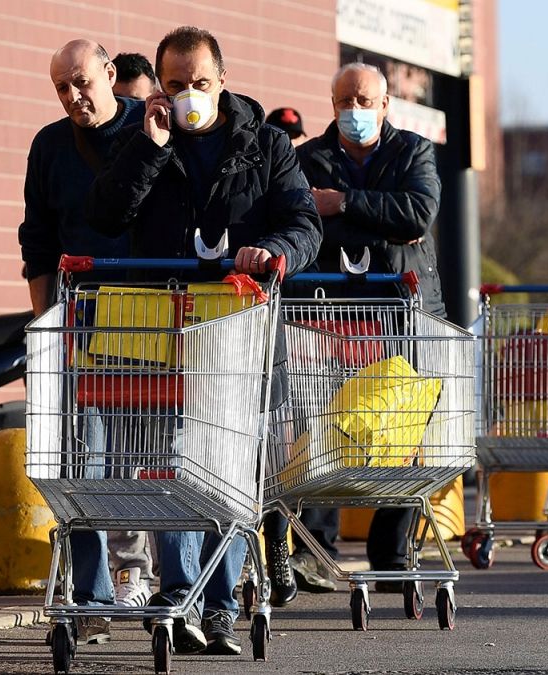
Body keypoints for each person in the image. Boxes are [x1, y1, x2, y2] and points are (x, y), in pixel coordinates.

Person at [88, 25, 322, 655]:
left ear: (223, 80)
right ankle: (180, 594)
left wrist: (272, 250)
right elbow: (105, 215)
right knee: (170, 462)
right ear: (160, 87)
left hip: (236, 327)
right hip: (159, 329)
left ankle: (218, 605)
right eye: (175, 85)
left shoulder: (266, 144)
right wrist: (151, 147)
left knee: (224, 465)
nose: (188, 95)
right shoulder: (142, 138)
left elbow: (303, 223)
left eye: (200, 83)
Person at [278, 61, 444, 594]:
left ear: (385, 104)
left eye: (364, 101)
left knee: (401, 431)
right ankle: (316, 551)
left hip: (401, 313)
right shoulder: (307, 159)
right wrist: (377, 219)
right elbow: (302, 222)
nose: (355, 110)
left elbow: (417, 214)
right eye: (345, 101)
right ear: (333, 105)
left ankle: (390, 554)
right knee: (325, 424)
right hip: (331, 315)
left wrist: (343, 204)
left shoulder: (413, 152)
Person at [16, 38, 152, 646]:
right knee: (81, 462)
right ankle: (92, 597)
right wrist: (45, 328)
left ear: (109, 72)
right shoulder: (50, 146)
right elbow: (38, 242)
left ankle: (152, 579)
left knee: (146, 462)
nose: (74, 96)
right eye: (62, 89)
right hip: (84, 323)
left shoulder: (150, 128)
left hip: (155, 320)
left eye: (82, 82)